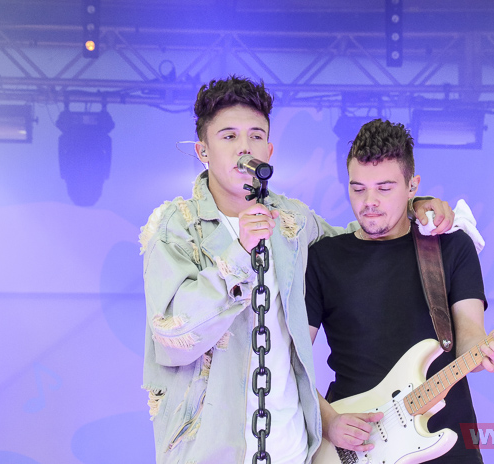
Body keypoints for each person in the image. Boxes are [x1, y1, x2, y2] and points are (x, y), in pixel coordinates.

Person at [139, 76, 458, 464]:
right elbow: (171, 337)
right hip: (208, 450)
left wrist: (412, 205)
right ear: (202, 150)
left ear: (269, 150)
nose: (244, 147)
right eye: (229, 136)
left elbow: (357, 240)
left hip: (289, 447)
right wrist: (238, 255)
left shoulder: (291, 221)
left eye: (256, 136)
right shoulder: (175, 227)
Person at [305, 119, 494, 463]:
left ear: (412, 186)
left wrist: (490, 351)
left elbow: (469, 338)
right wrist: (328, 421)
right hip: (359, 446)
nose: (369, 202)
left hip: (449, 440)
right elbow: (291, 362)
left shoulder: (451, 247)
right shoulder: (323, 258)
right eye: (358, 189)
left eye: (384, 188)